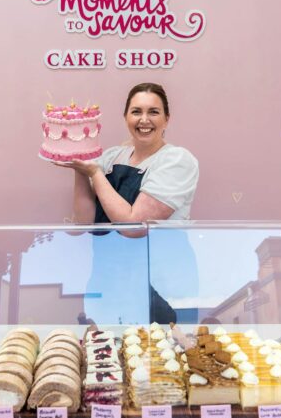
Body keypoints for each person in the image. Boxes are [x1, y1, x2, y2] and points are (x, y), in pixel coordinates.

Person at [55, 83, 199, 323]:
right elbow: (84, 222)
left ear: (167, 119)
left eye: (153, 112)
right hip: (108, 278)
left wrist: (95, 173)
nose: (144, 119)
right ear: (125, 118)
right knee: (108, 355)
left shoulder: (176, 160)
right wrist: (78, 168)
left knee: (161, 355)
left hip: (159, 284)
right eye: (136, 112)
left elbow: (134, 226)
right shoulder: (112, 157)